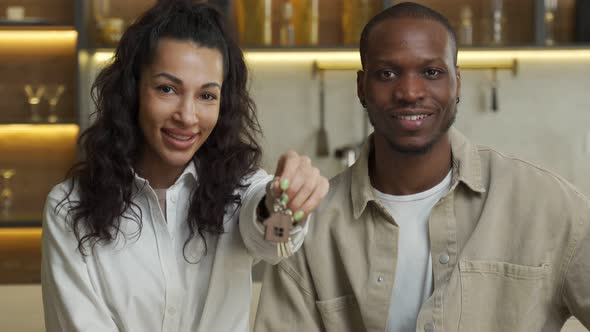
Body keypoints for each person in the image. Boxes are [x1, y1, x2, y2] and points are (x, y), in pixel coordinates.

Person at [255, 2, 590, 331]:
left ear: (456, 83)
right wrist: (276, 214)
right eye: (387, 73)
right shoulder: (310, 227)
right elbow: (272, 239)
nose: (410, 92)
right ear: (361, 87)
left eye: (431, 72)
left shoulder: (545, 203)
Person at [41, 1, 329, 331]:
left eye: (207, 96)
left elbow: (270, 237)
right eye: (167, 89)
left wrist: (283, 204)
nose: (188, 116)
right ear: (133, 89)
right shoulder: (69, 208)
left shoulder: (240, 187)